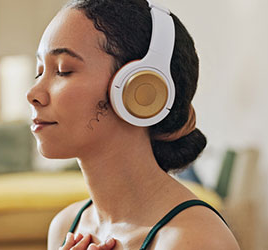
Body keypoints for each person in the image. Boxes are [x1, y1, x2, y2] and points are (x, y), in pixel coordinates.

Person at [26, 0, 241, 249]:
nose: (33, 93)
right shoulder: (66, 226)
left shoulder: (194, 240)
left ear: (140, 89)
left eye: (63, 70)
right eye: (39, 72)